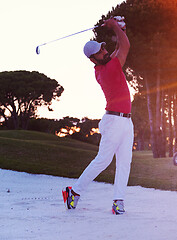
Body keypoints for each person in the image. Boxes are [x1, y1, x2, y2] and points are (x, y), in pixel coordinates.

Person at [62, 17, 133, 215]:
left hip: (126, 121)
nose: (104, 50)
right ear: (93, 59)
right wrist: (116, 28)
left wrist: (121, 29)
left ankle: (118, 201)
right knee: (103, 160)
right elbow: (125, 46)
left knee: (124, 162)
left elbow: (121, 46)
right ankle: (74, 192)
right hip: (114, 121)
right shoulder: (107, 69)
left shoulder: (107, 64)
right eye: (100, 51)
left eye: (103, 48)